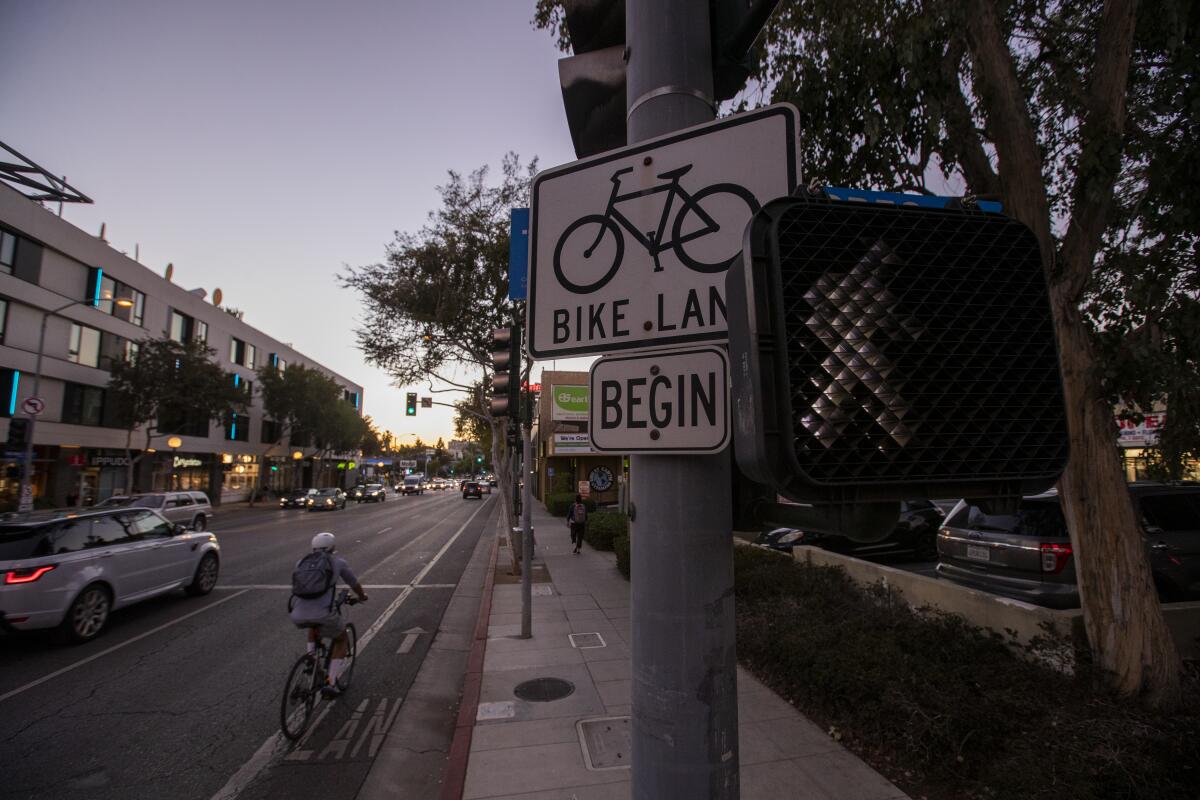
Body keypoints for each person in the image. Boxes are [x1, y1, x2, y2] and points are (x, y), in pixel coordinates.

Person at [289, 532, 367, 696]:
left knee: (313, 626)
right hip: (323, 614)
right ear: (333, 548)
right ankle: (331, 683)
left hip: (297, 614)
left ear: (313, 547)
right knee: (341, 639)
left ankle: (311, 660)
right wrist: (362, 596)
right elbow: (353, 583)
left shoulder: (300, 563)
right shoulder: (337, 562)